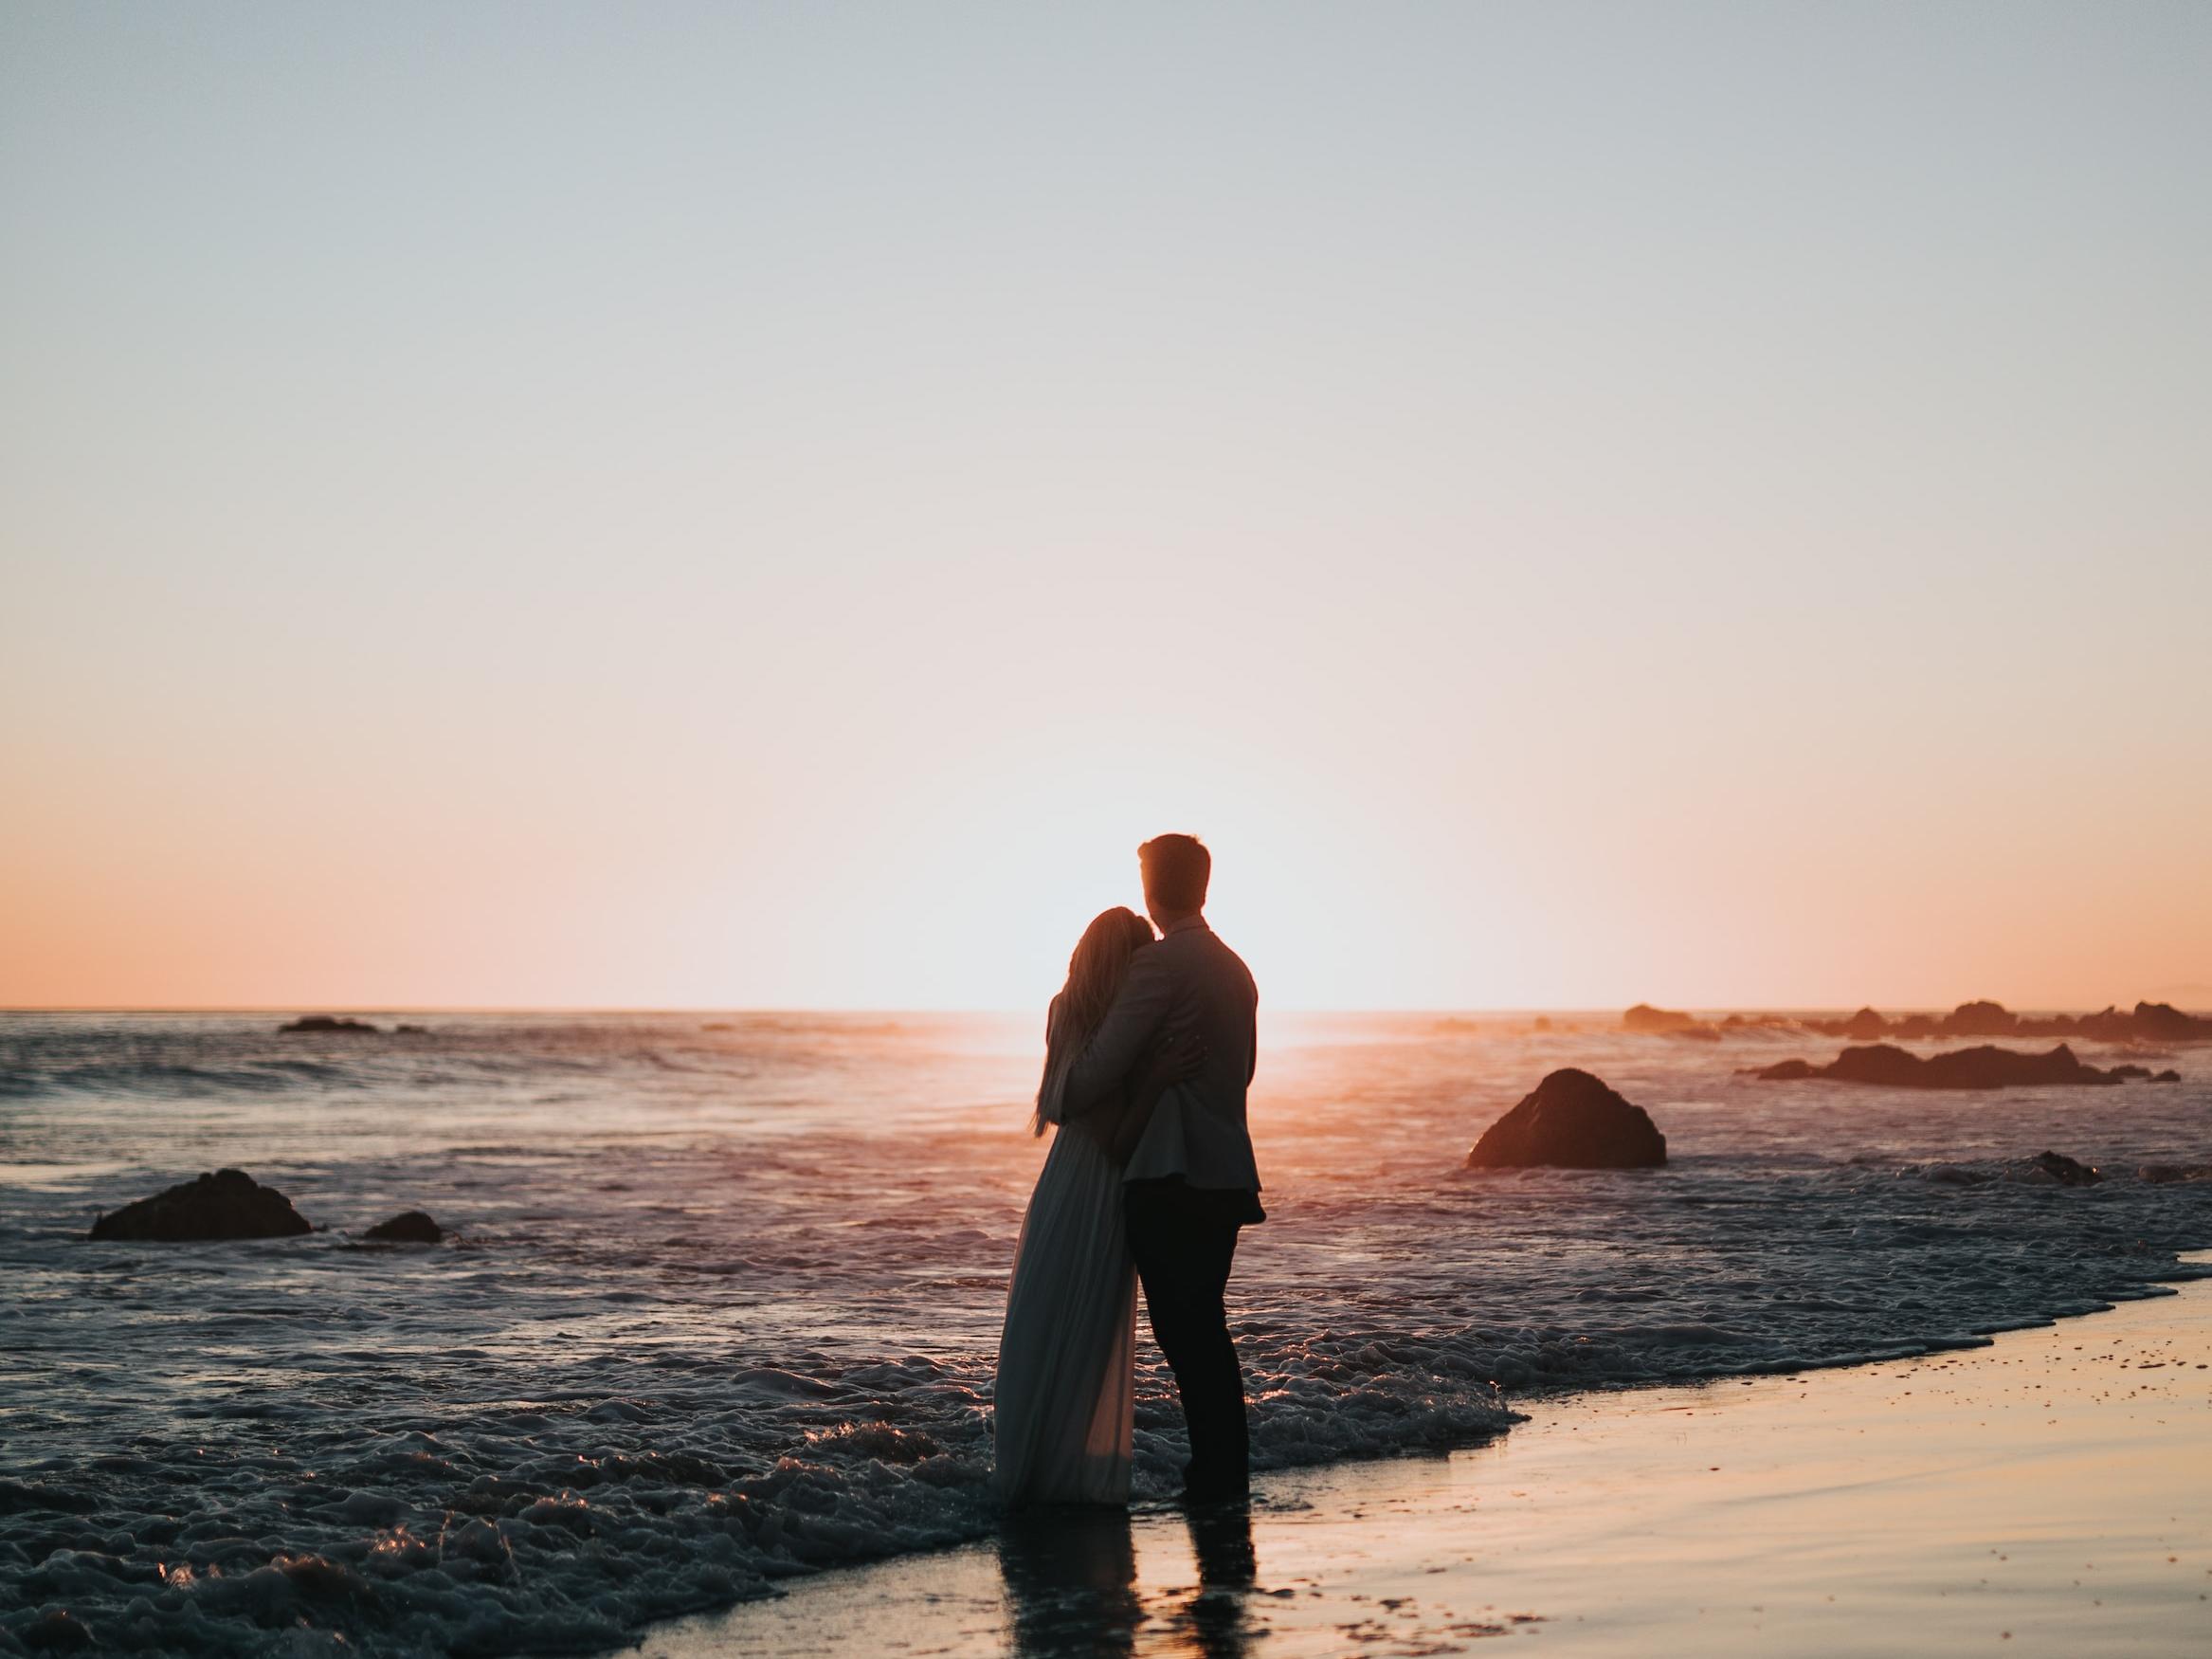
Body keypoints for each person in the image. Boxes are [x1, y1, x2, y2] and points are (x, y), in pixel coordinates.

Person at [1057, 834, 1262, 1503]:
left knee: (1186, 1334)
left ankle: (1216, 1477)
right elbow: (1246, 1073)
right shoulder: (1237, 970)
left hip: (1169, 1179)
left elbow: (1091, 1078)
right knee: (1205, 1328)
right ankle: (1222, 1470)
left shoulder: (1160, 967)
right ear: (1203, 887)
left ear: (1151, 887)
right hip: (1228, 1175)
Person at [993, 907, 1202, 1506]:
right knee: (1084, 1332)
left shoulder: (1064, 1010)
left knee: (1041, 1324)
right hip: (1101, 1190)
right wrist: (1159, 1076)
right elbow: (1117, 1139)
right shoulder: (1115, 1032)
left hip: (1061, 1181)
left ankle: (1029, 1469)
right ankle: (1060, 1479)